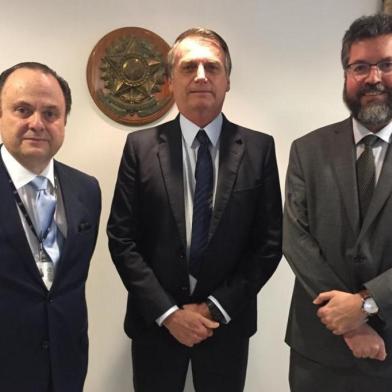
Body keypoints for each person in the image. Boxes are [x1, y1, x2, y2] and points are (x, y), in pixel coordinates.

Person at [107, 28, 282, 392]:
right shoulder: (139, 148)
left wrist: (213, 309)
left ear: (227, 80)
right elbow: (122, 238)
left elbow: (267, 244)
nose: (201, 76)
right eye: (189, 67)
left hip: (225, 325)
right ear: (171, 81)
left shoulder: (259, 148)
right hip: (155, 323)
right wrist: (169, 314)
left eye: (212, 67)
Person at [284, 13, 392, 392]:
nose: (373, 77)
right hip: (317, 352)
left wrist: (367, 304)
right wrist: (351, 324)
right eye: (360, 66)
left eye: (386, 65)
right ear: (346, 75)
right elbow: (295, 240)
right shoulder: (307, 150)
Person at [0, 62, 101, 392]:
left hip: (66, 366)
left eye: (50, 113)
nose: (37, 124)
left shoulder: (87, 189)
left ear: (64, 122)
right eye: (23, 110)